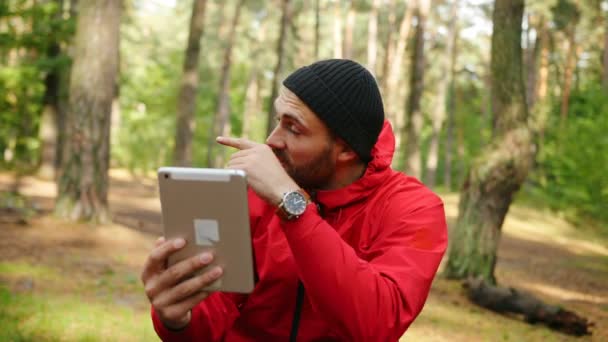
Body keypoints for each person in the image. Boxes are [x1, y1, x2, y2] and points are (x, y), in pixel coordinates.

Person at [141, 59, 448, 341]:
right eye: (278, 120)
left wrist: (290, 204)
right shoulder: (255, 192)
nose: (272, 141)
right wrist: (178, 319)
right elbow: (212, 317)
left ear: (345, 150)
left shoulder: (414, 209)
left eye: (293, 127)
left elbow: (375, 324)